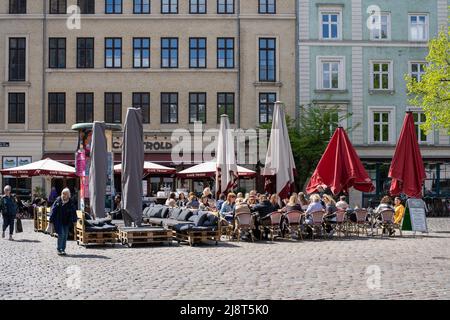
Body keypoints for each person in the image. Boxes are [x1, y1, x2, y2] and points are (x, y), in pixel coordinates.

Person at [49, 188, 77, 256]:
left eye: (66, 194)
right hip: (59, 220)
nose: (64, 195)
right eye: (63, 194)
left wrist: (74, 220)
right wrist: (51, 219)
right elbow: (53, 210)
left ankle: (63, 249)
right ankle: (59, 249)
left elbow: (73, 212)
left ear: (68, 195)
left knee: (65, 235)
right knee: (61, 234)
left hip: (67, 221)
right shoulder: (58, 200)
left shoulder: (70, 202)